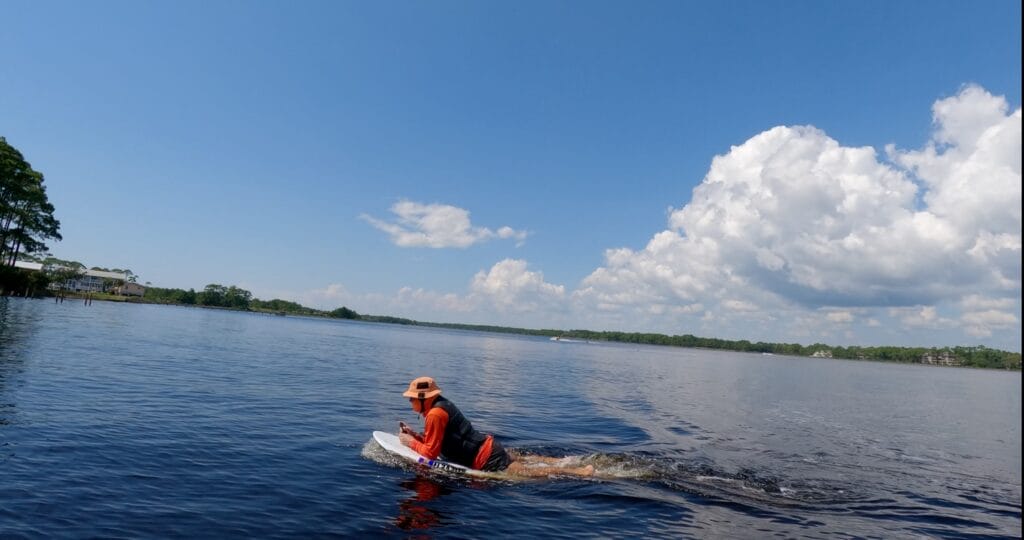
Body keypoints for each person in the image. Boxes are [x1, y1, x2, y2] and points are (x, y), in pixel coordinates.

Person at [398, 376, 594, 477]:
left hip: (485, 459)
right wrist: (416, 437)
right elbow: (441, 441)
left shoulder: (434, 414)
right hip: (489, 447)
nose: (410, 402)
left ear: (424, 398)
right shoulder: (440, 406)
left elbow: (431, 453)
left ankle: (580, 472)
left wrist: (409, 442)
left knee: (530, 472)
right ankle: (568, 461)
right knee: (526, 461)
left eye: (412, 399)